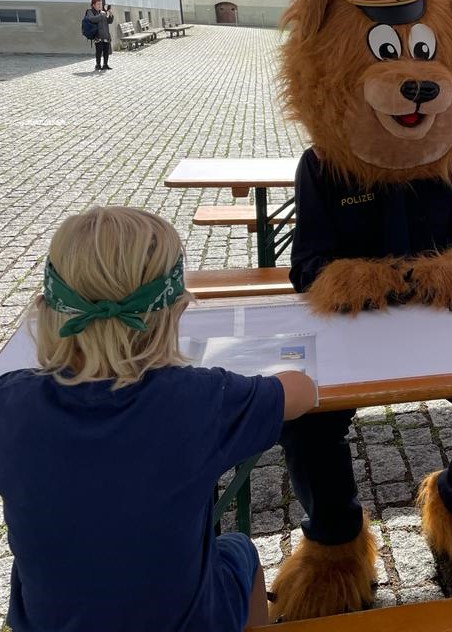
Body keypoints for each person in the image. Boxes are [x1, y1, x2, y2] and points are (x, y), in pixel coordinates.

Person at [0, 207, 317, 632]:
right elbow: (300, 391)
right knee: (240, 550)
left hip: (46, 622)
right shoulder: (201, 398)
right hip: (188, 623)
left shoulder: (11, 403)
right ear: (175, 311)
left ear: (48, 309)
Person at [85, 0, 114, 70]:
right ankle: (98, 65)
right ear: (93, 5)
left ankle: (105, 64)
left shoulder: (101, 12)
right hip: (98, 35)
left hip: (106, 34)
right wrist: (101, 15)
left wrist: (110, 14)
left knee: (106, 51)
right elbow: (92, 19)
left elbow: (109, 21)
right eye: (98, 4)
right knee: (99, 51)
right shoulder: (90, 11)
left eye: (100, 4)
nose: (100, 6)